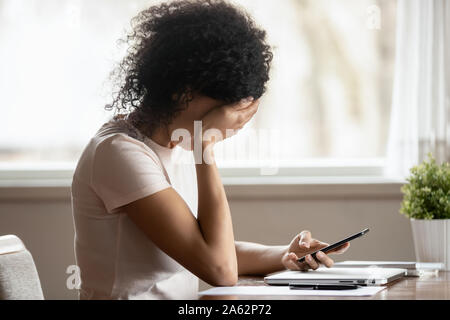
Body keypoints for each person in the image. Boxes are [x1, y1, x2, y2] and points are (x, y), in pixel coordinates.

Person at [71, 0, 349, 300]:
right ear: (184, 91)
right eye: (227, 110)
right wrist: (205, 143)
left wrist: (285, 254)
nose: (235, 126)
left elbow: (208, 248)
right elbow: (220, 269)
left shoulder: (175, 144)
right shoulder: (119, 154)